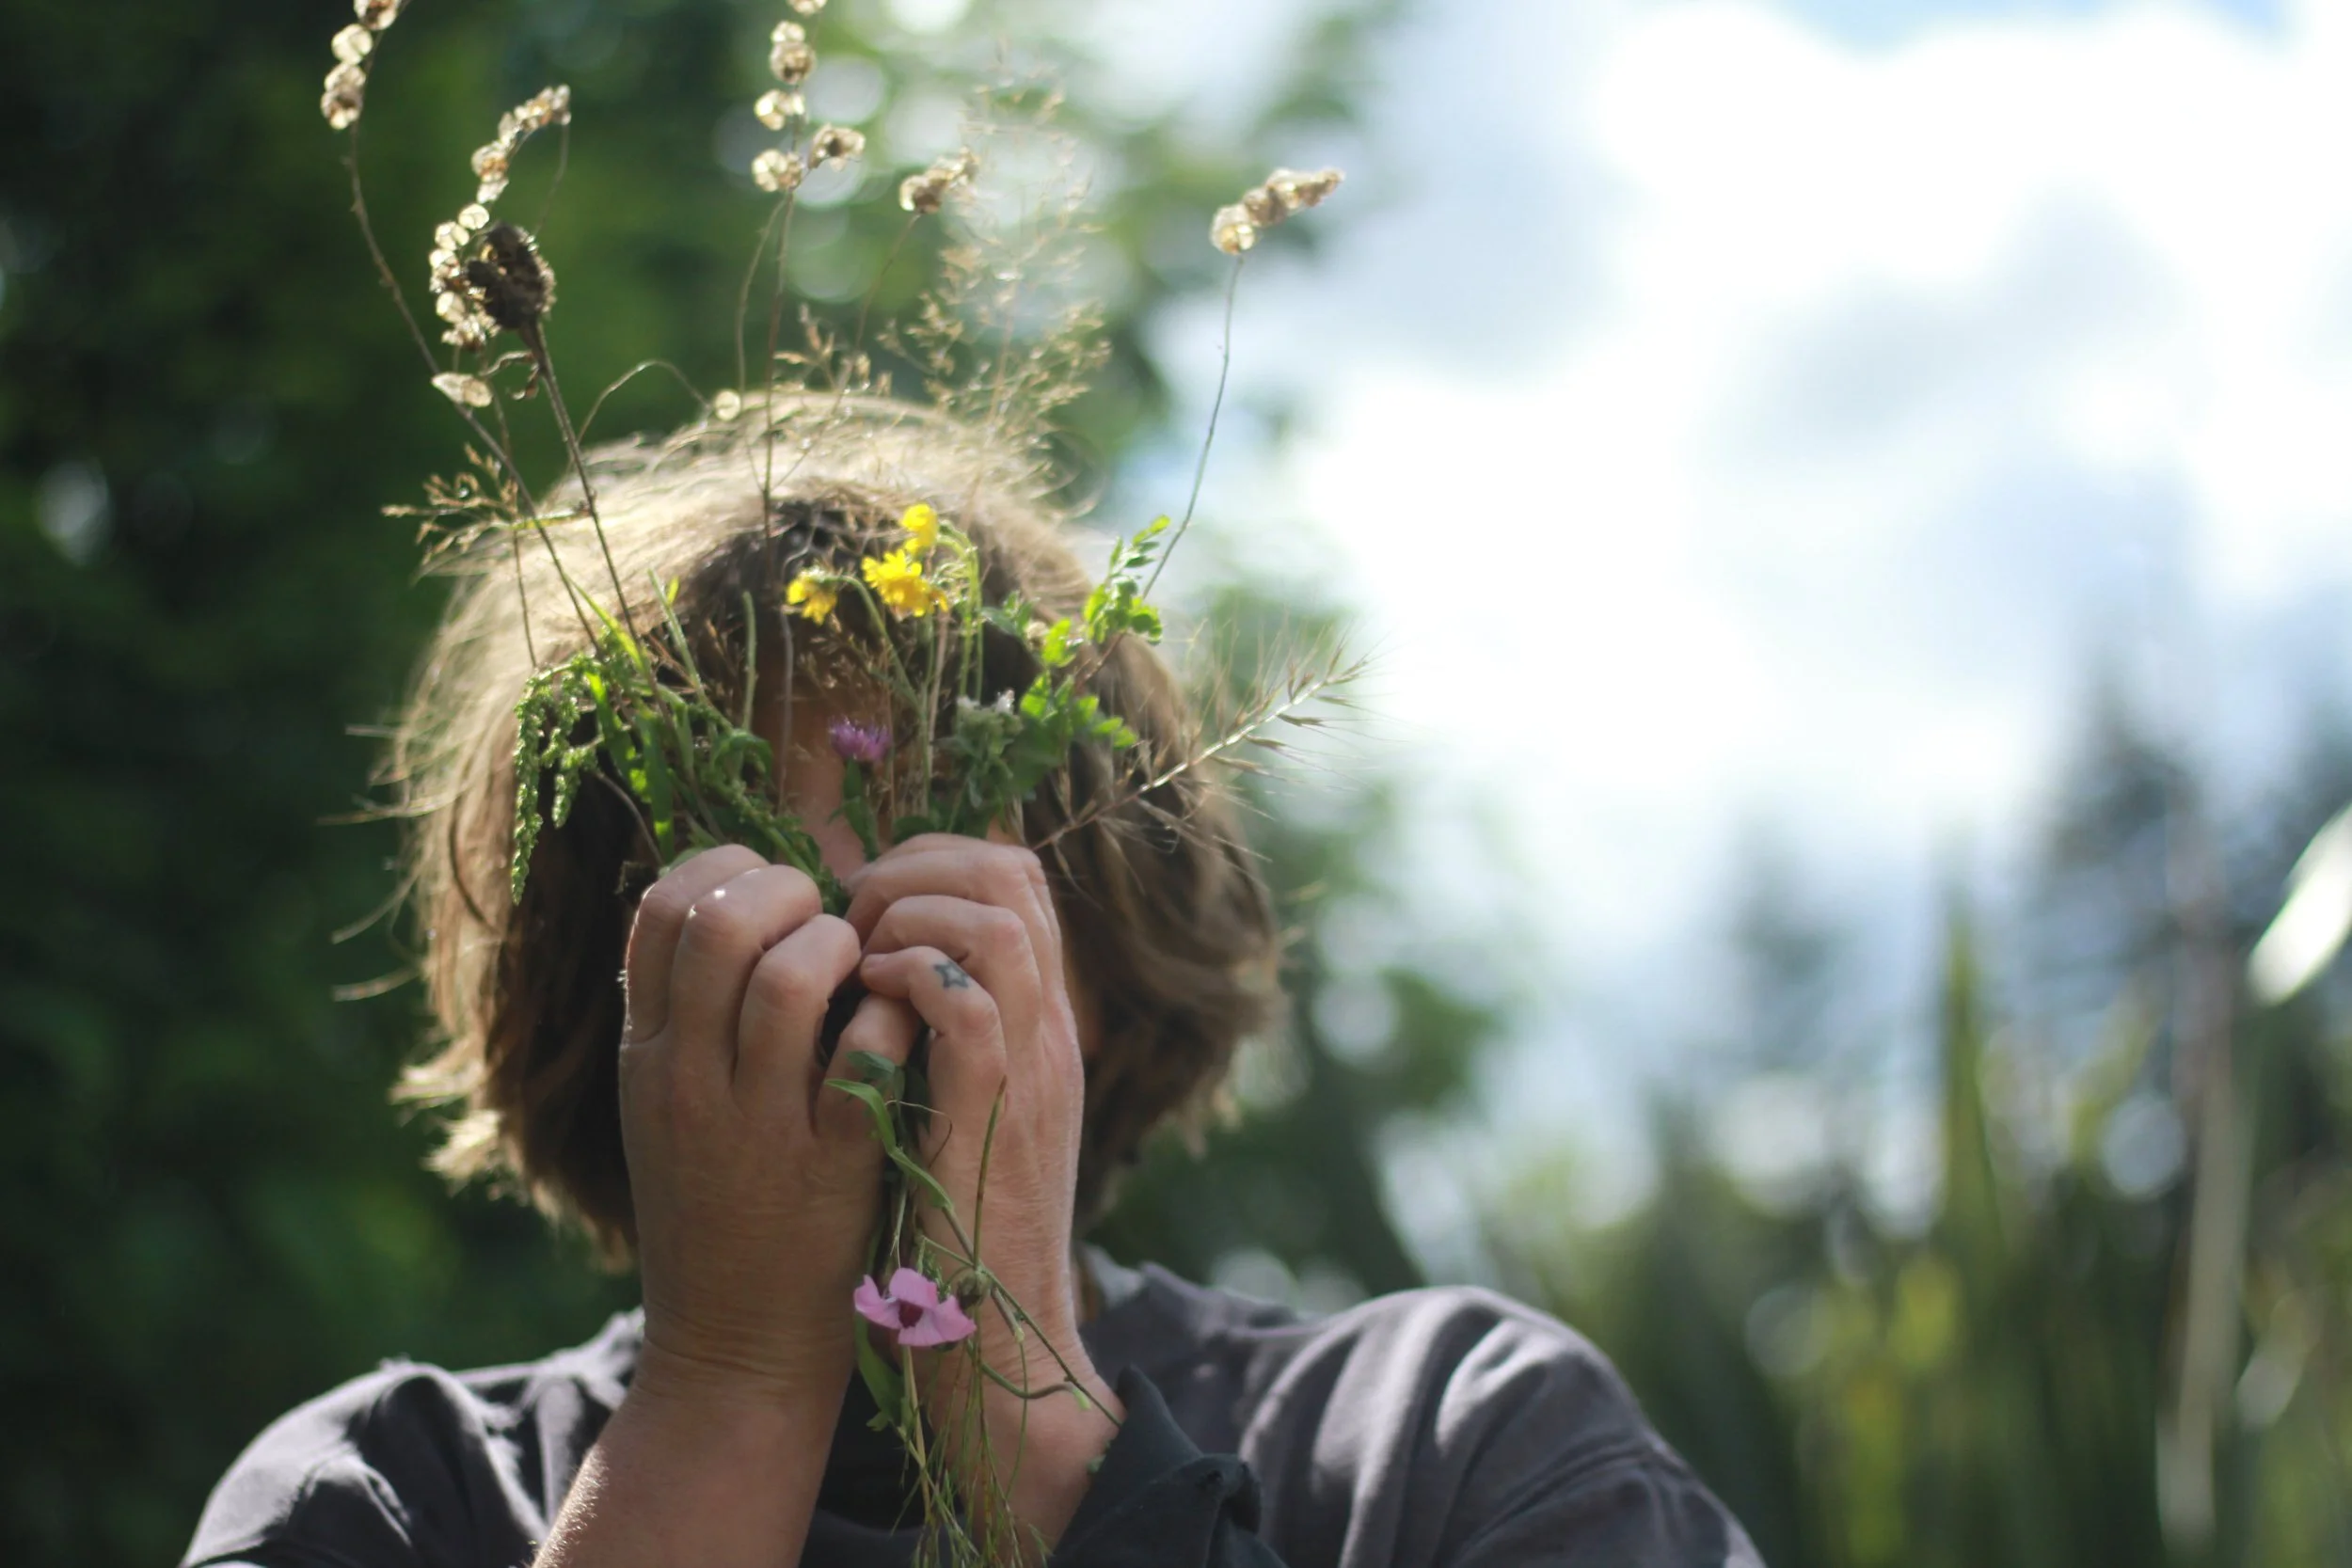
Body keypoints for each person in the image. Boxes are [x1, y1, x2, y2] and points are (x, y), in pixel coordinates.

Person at [182, 401, 1762, 1568]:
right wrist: (729, 1391)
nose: (857, 1004)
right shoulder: (387, 1498)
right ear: (610, 1015)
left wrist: (1017, 1401)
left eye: (936, 899)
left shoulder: (1453, 1449)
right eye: (744, 920)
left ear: (1112, 963)